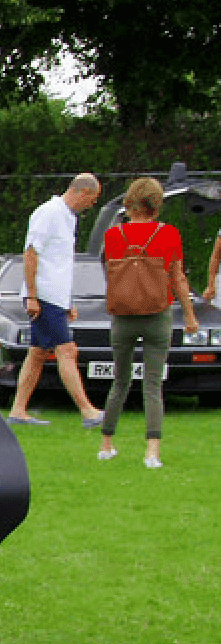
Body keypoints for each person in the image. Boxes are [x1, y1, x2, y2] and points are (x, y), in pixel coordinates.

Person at [96, 177, 199, 468]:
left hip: (123, 315)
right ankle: (152, 451)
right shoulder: (168, 234)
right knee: (152, 384)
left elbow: (110, 272)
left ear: (129, 203)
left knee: (120, 381)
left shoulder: (113, 235)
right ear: (157, 203)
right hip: (157, 313)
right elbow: (177, 277)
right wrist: (190, 315)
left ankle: (106, 443)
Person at [5, 173, 104, 428]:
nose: (92, 204)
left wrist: (66, 300)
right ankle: (88, 411)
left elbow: (59, 263)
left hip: (54, 297)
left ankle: (18, 411)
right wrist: (32, 295)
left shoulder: (68, 219)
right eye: (92, 198)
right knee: (67, 350)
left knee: (37, 354)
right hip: (43, 295)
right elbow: (30, 254)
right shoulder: (48, 213)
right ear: (82, 192)